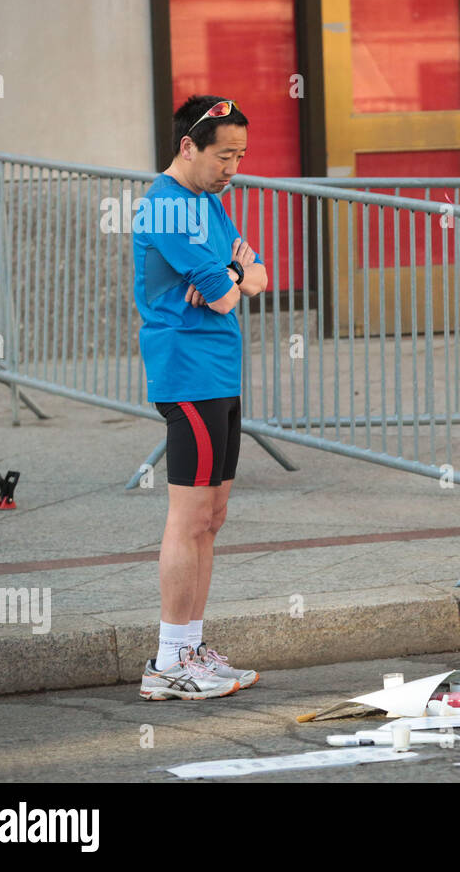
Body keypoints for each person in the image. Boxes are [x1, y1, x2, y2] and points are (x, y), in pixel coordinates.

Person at [133, 95, 269, 700]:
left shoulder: (209, 202)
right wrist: (231, 276)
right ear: (189, 145)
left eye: (240, 155)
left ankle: (191, 645)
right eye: (224, 155)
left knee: (212, 518)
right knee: (188, 519)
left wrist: (234, 275)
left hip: (221, 372)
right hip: (187, 373)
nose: (232, 168)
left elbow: (260, 273)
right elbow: (225, 293)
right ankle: (168, 660)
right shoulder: (164, 210)